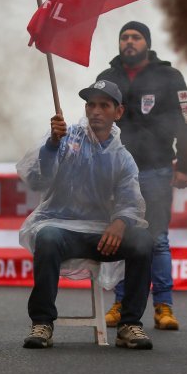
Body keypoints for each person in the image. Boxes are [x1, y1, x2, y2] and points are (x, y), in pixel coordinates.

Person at [17, 80, 155, 350]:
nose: (95, 111)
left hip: (101, 235)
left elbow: (131, 201)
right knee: (47, 237)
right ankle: (42, 322)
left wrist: (120, 222)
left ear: (118, 112)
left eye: (104, 105)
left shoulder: (122, 158)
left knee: (143, 241)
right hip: (62, 228)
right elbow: (37, 179)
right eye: (91, 104)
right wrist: (52, 145)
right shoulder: (66, 139)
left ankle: (130, 325)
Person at [96, 21, 187, 331]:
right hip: (116, 173)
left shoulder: (170, 77)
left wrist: (186, 165)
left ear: (147, 43)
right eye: (124, 37)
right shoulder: (106, 79)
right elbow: (94, 122)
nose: (129, 42)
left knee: (158, 239)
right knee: (121, 238)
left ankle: (163, 307)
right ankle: (121, 303)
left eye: (135, 37)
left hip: (157, 169)